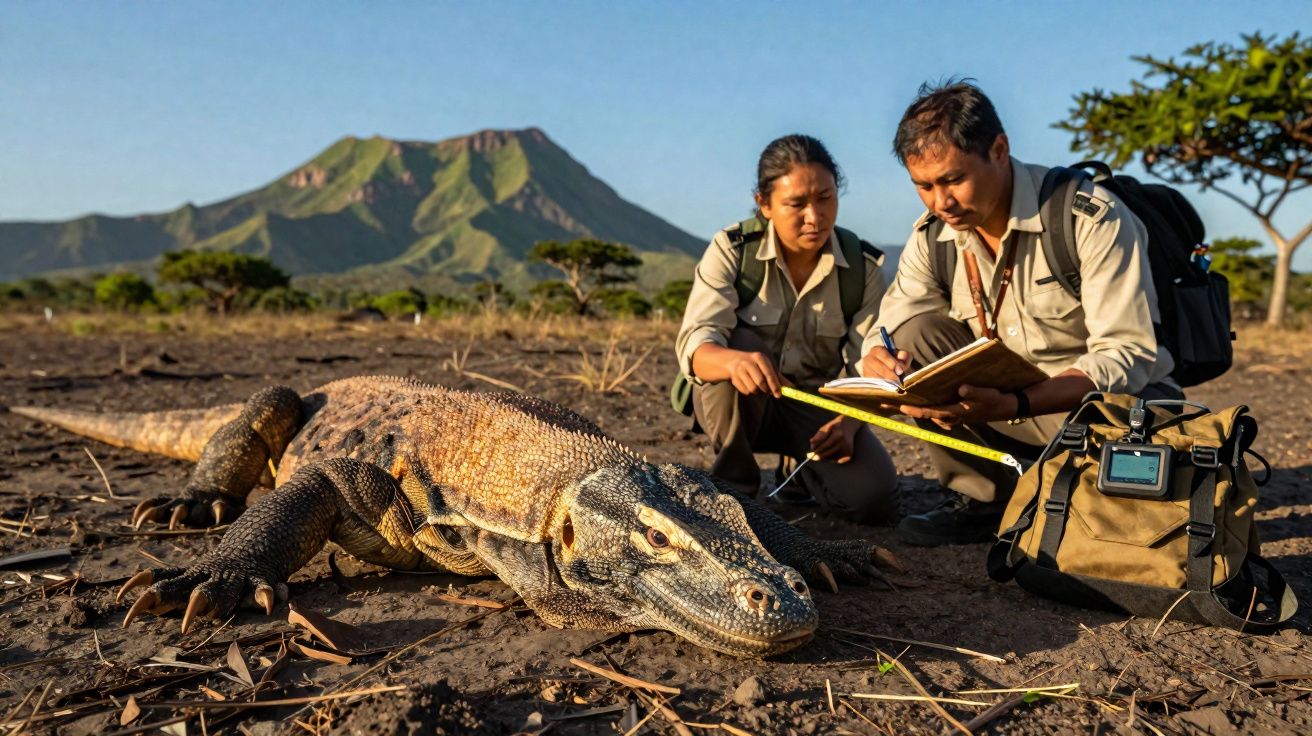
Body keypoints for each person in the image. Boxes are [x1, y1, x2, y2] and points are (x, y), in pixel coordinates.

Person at [862, 81, 1182, 546]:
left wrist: (1017, 404)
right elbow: (894, 324)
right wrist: (879, 360)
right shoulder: (932, 236)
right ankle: (982, 499)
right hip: (994, 404)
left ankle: (1066, 501)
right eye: (924, 186)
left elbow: (1126, 355)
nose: (940, 202)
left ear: (999, 149)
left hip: (1087, 409)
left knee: (1114, 531)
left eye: (953, 180)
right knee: (917, 332)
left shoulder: (1088, 217)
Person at [676, 134, 899, 525]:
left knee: (874, 500)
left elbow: (868, 367)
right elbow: (698, 344)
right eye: (796, 204)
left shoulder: (863, 268)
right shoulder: (732, 250)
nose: (814, 217)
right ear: (764, 204)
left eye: (826, 198)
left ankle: (798, 472)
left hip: (815, 406)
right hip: (741, 403)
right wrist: (733, 362)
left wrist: (847, 423)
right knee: (740, 347)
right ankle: (734, 494)